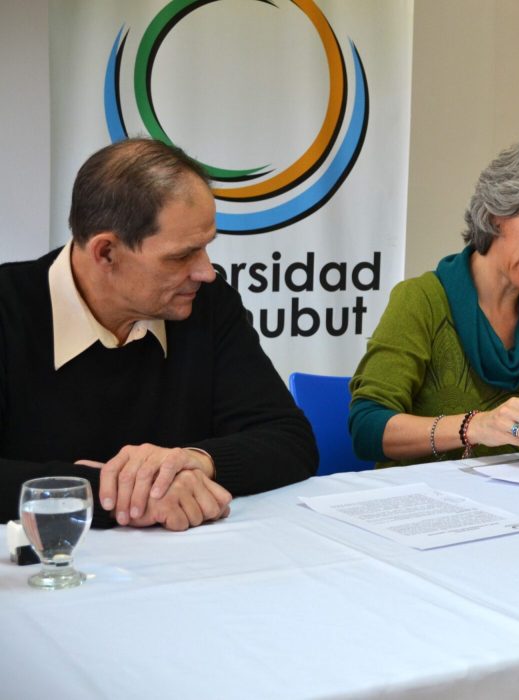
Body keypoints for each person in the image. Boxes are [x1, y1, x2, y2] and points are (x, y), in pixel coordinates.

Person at [0, 138, 317, 530]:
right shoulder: (8, 309)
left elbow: (290, 440)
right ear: (105, 252)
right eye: (181, 256)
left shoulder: (208, 303)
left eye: (205, 247)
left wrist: (193, 462)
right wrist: (115, 492)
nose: (206, 272)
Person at [349, 133, 519, 465]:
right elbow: (368, 428)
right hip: (430, 494)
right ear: (496, 213)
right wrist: (474, 427)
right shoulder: (421, 300)